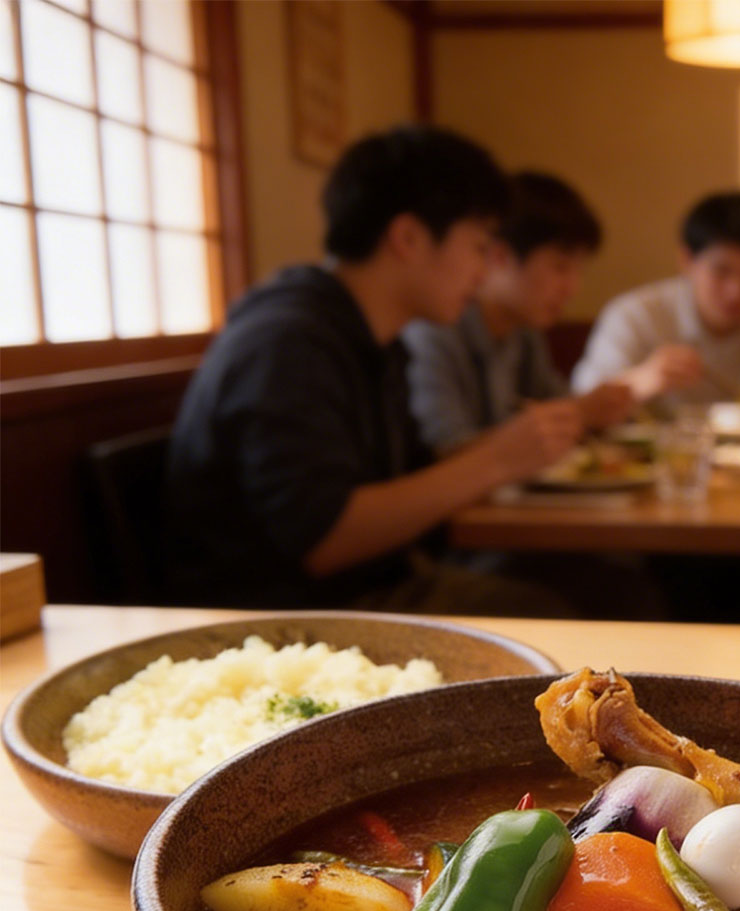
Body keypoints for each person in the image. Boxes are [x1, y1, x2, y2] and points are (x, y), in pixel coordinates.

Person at [165, 126, 583, 612]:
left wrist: (513, 448)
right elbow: (323, 540)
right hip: (283, 620)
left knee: (591, 589)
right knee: (565, 607)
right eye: (478, 246)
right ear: (407, 237)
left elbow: (412, 479)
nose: (484, 271)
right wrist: (498, 460)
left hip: (362, 592)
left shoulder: (371, 338)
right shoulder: (287, 342)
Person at [403, 171, 634, 457]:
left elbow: (555, 402)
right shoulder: (434, 330)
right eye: (560, 267)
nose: (573, 288)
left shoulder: (524, 332)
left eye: (578, 270)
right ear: (499, 257)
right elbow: (442, 452)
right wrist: (578, 413)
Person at [570, 191, 740, 412]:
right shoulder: (635, 315)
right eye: (722, 271)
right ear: (687, 260)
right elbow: (582, 403)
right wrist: (642, 380)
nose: (736, 291)